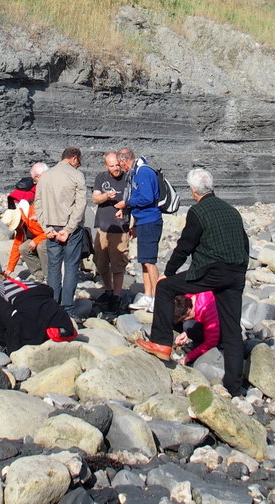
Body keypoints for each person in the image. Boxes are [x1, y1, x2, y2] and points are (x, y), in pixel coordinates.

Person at [137, 168, 250, 396]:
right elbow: (244, 243)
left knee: (165, 287)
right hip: (236, 272)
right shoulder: (231, 210)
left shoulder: (198, 211)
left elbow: (185, 246)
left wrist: (168, 272)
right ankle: (234, 387)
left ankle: (161, 342)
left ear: (193, 191)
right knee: (231, 330)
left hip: (212, 271)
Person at [0, 270, 77, 352]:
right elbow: (50, 292)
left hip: (29, 329)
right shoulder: (30, 283)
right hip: (61, 321)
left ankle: (4, 345)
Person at [34, 146, 86, 309]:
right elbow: (80, 205)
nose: (78, 165)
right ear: (74, 158)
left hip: (51, 227)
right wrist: (69, 229)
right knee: (71, 267)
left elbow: (38, 204)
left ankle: (53, 305)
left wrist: (46, 228)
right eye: (79, 162)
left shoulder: (45, 176)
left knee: (53, 267)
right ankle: (68, 307)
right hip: (71, 229)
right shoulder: (77, 175)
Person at [115, 148, 162, 312]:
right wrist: (134, 225)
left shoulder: (142, 172)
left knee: (150, 261)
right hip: (143, 221)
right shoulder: (136, 172)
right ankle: (148, 296)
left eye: (120, 164)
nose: (120, 168)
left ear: (124, 160)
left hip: (150, 221)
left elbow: (147, 198)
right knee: (144, 260)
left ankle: (157, 298)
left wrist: (126, 203)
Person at [92, 151, 130, 310]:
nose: (116, 168)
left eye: (117, 165)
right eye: (112, 165)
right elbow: (95, 198)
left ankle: (117, 295)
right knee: (101, 262)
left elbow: (134, 200)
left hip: (120, 229)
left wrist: (125, 208)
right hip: (103, 227)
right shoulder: (101, 178)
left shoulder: (128, 178)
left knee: (118, 264)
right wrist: (106, 196)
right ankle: (108, 290)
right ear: (106, 166)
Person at [6, 162, 49, 280]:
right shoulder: (21, 225)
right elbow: (16, 245)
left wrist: (36, 241)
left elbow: (51, 230)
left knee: (41, 247)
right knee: (23, 248)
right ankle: (39, 275)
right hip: (39, 236)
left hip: (51, 235)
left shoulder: (32, 214)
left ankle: (49, 276)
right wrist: (10, 268)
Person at [173, 291, 220, 366]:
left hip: (219, 329)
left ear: (188, 311)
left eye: (183, 319)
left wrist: (188, 357)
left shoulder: (207, 309)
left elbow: (212, 341)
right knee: (187, 326)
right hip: (204, 324)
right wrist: (186, 333)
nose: (183, 321)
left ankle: (198, 347)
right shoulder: (188, 298)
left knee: (187, 325)